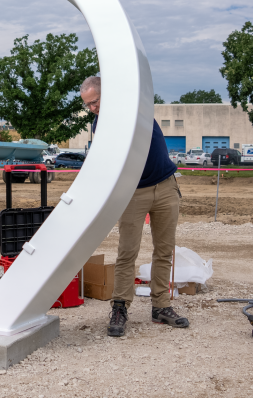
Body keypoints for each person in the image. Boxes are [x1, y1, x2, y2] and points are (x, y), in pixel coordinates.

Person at [79, 76, 189, 337]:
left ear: (108, 94)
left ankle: (161, 306)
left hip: (166, 186)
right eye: (88, 105)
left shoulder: (135, 107)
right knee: (127, 252)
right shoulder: (100, 124)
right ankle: (120, 307)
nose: (92, 108)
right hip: (133, 192)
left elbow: (134, 82)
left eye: (94, 102)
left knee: (164, 251)